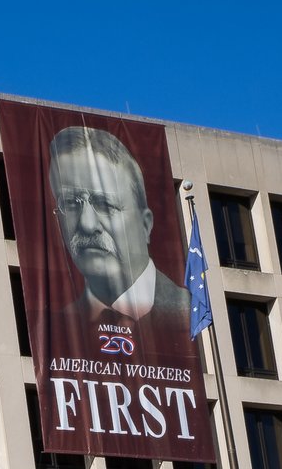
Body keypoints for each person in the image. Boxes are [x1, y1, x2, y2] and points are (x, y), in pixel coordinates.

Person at [47, 124, 189, 339]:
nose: (87, 224)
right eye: (70, 204)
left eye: (105, 205)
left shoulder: (191, 314)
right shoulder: (54, 330)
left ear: (145, 225)